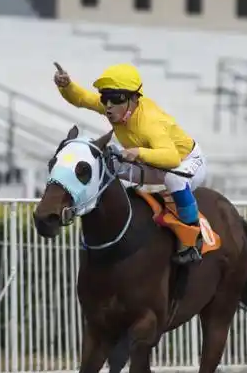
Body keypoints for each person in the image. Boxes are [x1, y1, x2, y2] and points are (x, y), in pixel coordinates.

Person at [53, 62, 208, 263]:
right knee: (107, 163)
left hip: (187, 162)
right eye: (105, 98)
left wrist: (138, 153)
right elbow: (82, 98)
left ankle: (193, 240)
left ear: (134, 99)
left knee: (173, 179)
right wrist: (66, 86)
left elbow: (172, 158)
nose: (108, 106)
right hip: (153, 165)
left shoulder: (150, 122)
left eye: (115, 99)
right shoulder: (116, 108)